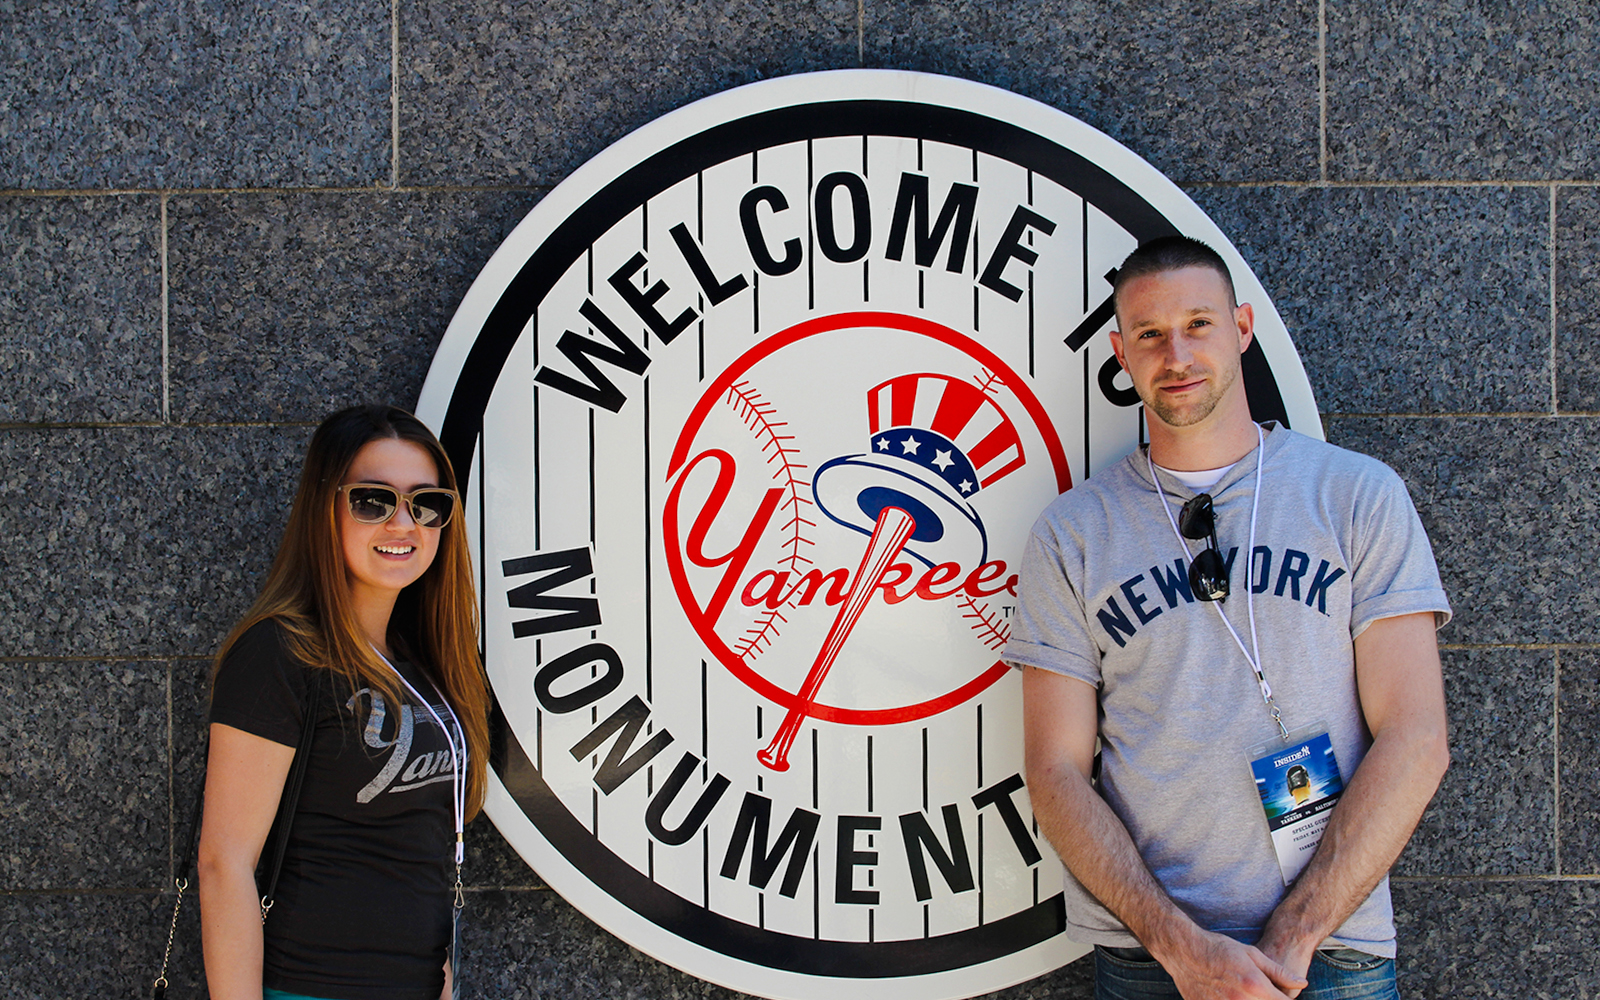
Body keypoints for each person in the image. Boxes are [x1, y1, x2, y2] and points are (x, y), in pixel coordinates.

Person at [1004, 236, 1451, 1000]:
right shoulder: (1074, 533)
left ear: (1242, 328)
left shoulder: (1354, 498)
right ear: (1120, 351)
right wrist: (1182, 948)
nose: (1175, 353)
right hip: (1153, 964)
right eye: (1149, 334)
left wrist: (1292, 939)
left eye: (1199, 324)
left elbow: (1417, 738)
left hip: (1333, 955)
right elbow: (1054, 773)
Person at [198, 405, 491, 1000]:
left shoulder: (425, 660)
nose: (403, 523)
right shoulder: (281, 651)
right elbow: (223, 864)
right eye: (372, 500)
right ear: (323, 506)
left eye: (426, 503)